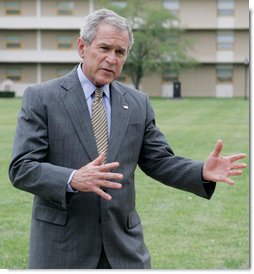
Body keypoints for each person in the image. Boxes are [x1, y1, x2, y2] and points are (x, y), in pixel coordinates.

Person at [9, 8, 247, 269]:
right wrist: (72, 179)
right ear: (82, 47)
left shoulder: (137, 103)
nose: (112, 59)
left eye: (120, 52)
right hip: (62, 249)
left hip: (124, 250)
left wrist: (201, 171)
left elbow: (158, 161)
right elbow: (22, 168)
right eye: (104, 48)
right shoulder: (42, 98)